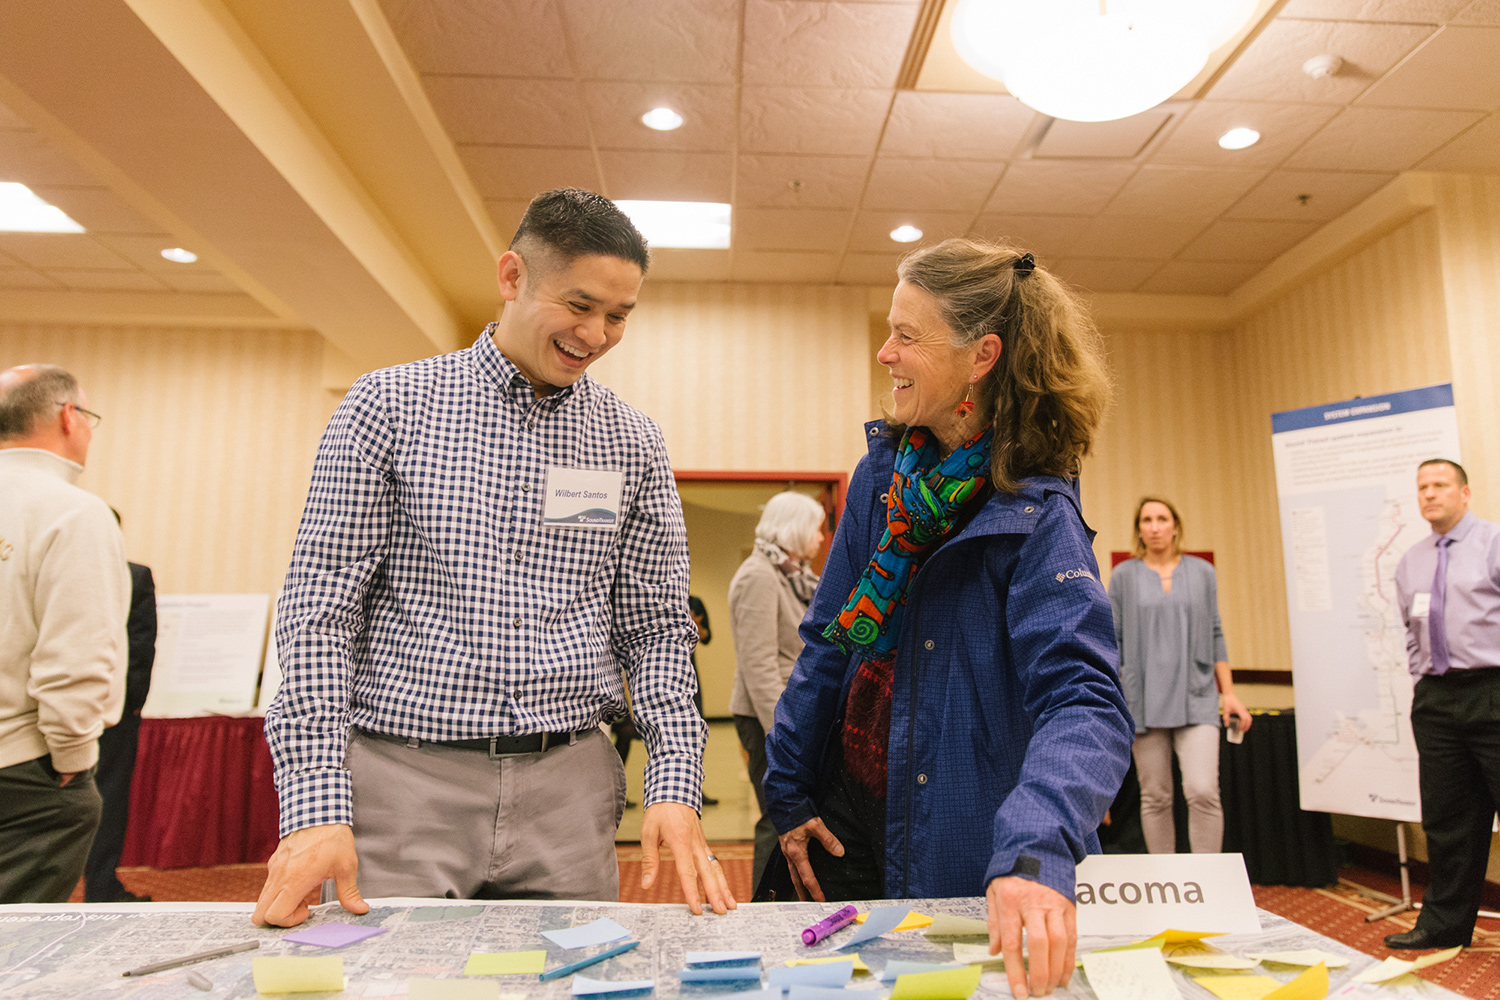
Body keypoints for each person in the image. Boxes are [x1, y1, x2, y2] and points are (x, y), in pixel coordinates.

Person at [256, 188, 733, 928]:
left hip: (569, 791)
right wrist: (316, 804)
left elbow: (657, 629)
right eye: (579, 305)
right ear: (511, 277)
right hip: (407, 781)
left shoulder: (631, 441)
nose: (597, 333)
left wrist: (674, 778)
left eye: (618, 316)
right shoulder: (388, 407)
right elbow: (320, 613)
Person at [762, 240, 1133, 1000]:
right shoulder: (880, 478)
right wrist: (789, 794)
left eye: (907, 334)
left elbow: (1085, 703)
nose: (883, 350)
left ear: (980, 356)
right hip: (844, 821)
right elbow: (831, 641)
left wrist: (1034, 853)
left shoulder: (1037, 512)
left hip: (956, 834)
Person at [0, 364, 129, 903]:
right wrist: (73, 764)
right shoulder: (73, 512)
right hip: (25, 772)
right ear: (70, 418)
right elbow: (73, 656)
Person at [1387, 458, 1500, 950]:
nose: (1429, 494)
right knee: (1447, 817)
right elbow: (1412, 633)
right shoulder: (1411, 559)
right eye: (1422, 487)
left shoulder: (1494, 543)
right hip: (1436, 698)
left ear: (1465, 493)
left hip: (1492, 689)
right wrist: (1421, 681)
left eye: (1439, 485)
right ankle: (1443, 925)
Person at [1107, 497, 1251, 855]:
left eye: (1162, 519)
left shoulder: (1202, 572)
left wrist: (1228, 692)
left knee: (1203, 791)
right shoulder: (1125, 575)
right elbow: (1113, 639)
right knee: (1155, 797)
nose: (1154, 527)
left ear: (1175, 525)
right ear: (1138, 529)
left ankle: (1207, 880)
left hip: (1197, 694)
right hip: (1142, 701)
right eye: (1146, 520)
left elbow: (1216, 632)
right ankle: (1166, 880)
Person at [728, 491, 825, 888]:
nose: (821, 539)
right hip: (766, 717)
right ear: (795, 528)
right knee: (776, 817)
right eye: (816, 529)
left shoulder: (788, 575)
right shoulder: (758, 576)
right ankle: (765, 907)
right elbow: (760, 669)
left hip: (785, 716)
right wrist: (783, 736)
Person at [85, 511, 157, 902]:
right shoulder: (131, 576)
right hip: (102, 710)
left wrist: (131, 706)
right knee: (107, 798)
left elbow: (142, 648)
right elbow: (143, 649)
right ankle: (99, 886)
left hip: (112, 712)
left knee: (109, 801)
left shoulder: (134, 575)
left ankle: (101, 884)